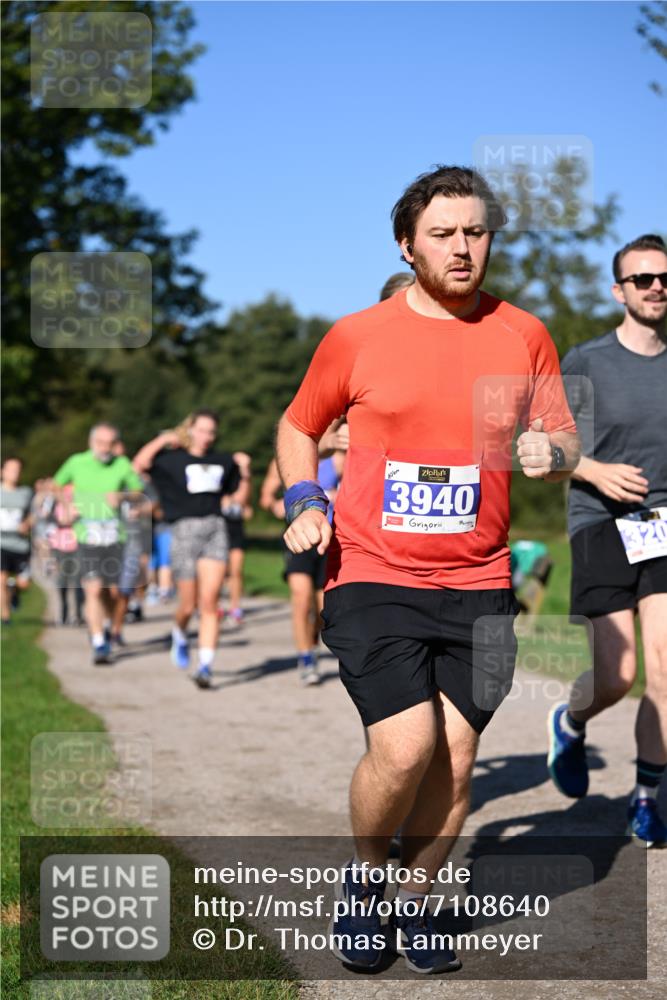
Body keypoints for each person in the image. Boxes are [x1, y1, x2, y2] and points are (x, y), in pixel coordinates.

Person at [277, 165, 580, 974]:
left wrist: (548, 452)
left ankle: (414, 904)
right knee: (407, 747)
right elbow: (297, 424)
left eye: (474, 232)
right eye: (442, 233)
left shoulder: (523, 333)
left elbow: (562, 440)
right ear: (405, 245)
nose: (460, 247)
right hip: (373, 572)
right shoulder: (357, 334)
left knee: (456, 756)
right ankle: (366, 880)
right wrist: (305, 499)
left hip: (480, 581)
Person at [547, 233, 667, 847]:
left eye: (662, 277)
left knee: (666, 670)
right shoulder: (587, 362)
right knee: (616, 677)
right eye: (641, 278)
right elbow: (547, 447)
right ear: (618, 290)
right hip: (600, 521)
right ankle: (570, 722)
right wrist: (595, 471)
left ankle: (646, 796)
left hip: (662, 528)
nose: (655, 286)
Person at [133, 409, 245, 688]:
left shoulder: (223, 461)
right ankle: (179, 633)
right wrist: (164, 440)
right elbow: (139, 464)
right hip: (183, 530)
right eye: (201, 430)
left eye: (211, 431)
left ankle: (205, 665)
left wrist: (244, 470)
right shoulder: (172, 460)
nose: (206, 436)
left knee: (210, 602)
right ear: (190, 429)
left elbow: (237, 497)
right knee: (187, 604)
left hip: (215, 529)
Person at [52, 424, 145, 664]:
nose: (105, 448)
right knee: (92, 588)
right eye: (100, 443)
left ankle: (103, 625)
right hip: (87, 534)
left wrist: (122, 496)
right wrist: (67, 505)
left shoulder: (121, 464)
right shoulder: (76, 462)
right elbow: (56, 484)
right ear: (91, 442)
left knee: (111, 592)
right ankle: (99, 643)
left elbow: (138, 491)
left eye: (109, 443)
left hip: (115, 535)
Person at [260, 450, 343, 685]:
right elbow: (266, 496)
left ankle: (312, 643)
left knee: (322, 609)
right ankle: (306, 658)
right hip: (299, 537)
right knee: (300, 597)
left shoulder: (338, 457)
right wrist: (275, 504)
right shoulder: (288, 456)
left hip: (328, 539)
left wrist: (340, 494)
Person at [221, 451, 253, 626]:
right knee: (220, 572)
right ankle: (215, 605)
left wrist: (246, 470)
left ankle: (235, 607)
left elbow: (242, 500)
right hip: (218, 530)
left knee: (236, 571)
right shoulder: (217, 481)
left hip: (235, 529)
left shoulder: (242, 481)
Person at [0, 457, 33, 625]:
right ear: (2, 471)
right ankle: (5, 618)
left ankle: (14, 591)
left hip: (20, 545)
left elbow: (33, 515)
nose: (15, 473)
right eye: (11, 469)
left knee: (24, 584)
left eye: (18, 470)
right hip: (1, 544)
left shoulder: (26, 493)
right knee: (1, 581)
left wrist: (27, 524)